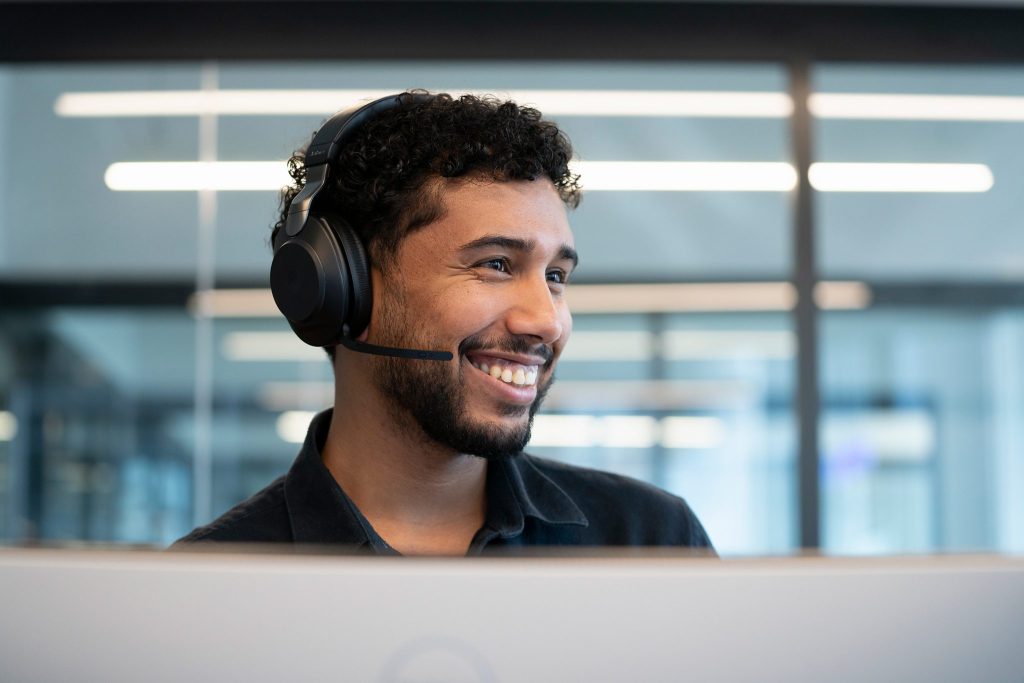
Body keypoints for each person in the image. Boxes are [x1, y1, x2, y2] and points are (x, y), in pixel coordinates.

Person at [176, 91, 713, 555]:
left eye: (555, 276)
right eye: (496, 265)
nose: (546, 323)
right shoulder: (207, 584)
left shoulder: (652, 541)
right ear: (344, 290)